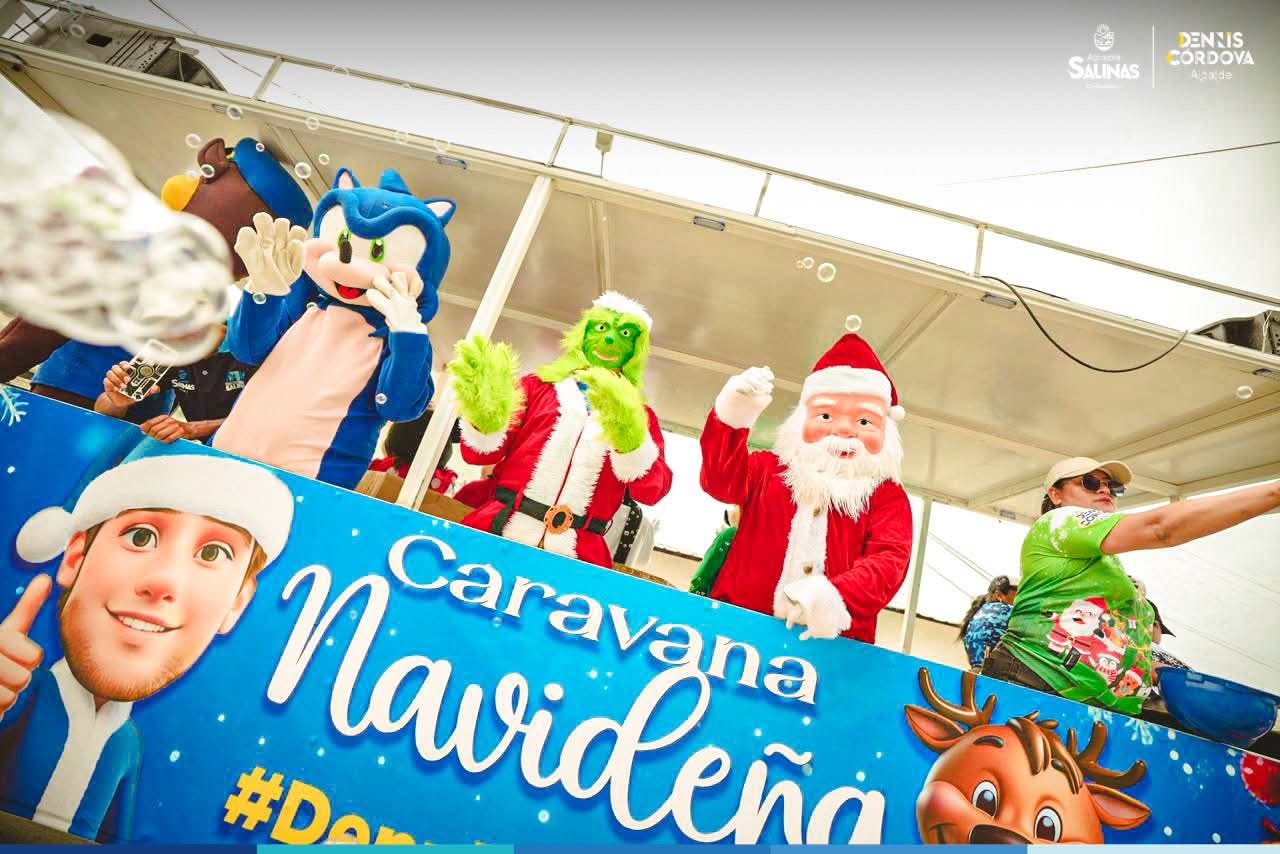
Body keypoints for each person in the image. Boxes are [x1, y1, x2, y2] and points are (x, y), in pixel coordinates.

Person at [0, 437, 294, 841]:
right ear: (74, 558)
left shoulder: (126, 743)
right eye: (140, 537)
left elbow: (115, 836)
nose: (164, 582)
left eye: (212, 553)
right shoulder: (21, 693)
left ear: (237, 603)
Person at [982, 455, 1280, 717]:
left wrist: (1144, 667)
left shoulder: (1101, 559)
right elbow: (1161, 528)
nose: (1104, 490)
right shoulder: (1059, 521)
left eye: (1112, 486)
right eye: (1089, 482)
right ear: (1056, 495)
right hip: (1037, 684)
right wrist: (1274, 492)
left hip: (1075, 699)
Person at [698, 315, 913, 642]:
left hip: (830, 650)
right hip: (736, 636)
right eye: (825, 415)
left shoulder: (886, 496)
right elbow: (719, 480)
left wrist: (838, 595)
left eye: (864, 421)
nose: (844, 429)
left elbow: (890, 559)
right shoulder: (768, 469)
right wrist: (732, 417)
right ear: (802, 419)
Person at [448, 292, 672, 569]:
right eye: (602, 327)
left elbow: (653, 492)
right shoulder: (536, 387)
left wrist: (631, 441)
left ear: (635, 350)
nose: (610, 339)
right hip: (501, 530)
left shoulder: (641, 417)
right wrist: (484, 418)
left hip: (578, 555)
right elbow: (479, 454)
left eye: (625, 333)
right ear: (584, 334)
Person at [92, 323, 255, 444]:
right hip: (209, 449)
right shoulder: (169, 353)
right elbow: (102, 408)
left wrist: (193, 429)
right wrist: (116, 400)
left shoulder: (252, 350)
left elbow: (263, 420)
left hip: (253, 451)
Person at [958, 575, 1018, 669]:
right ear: (999, 595)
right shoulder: (1008, 610)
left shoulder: (977, 613)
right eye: (1017, 594)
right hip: (997, 671)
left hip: (976, 668)